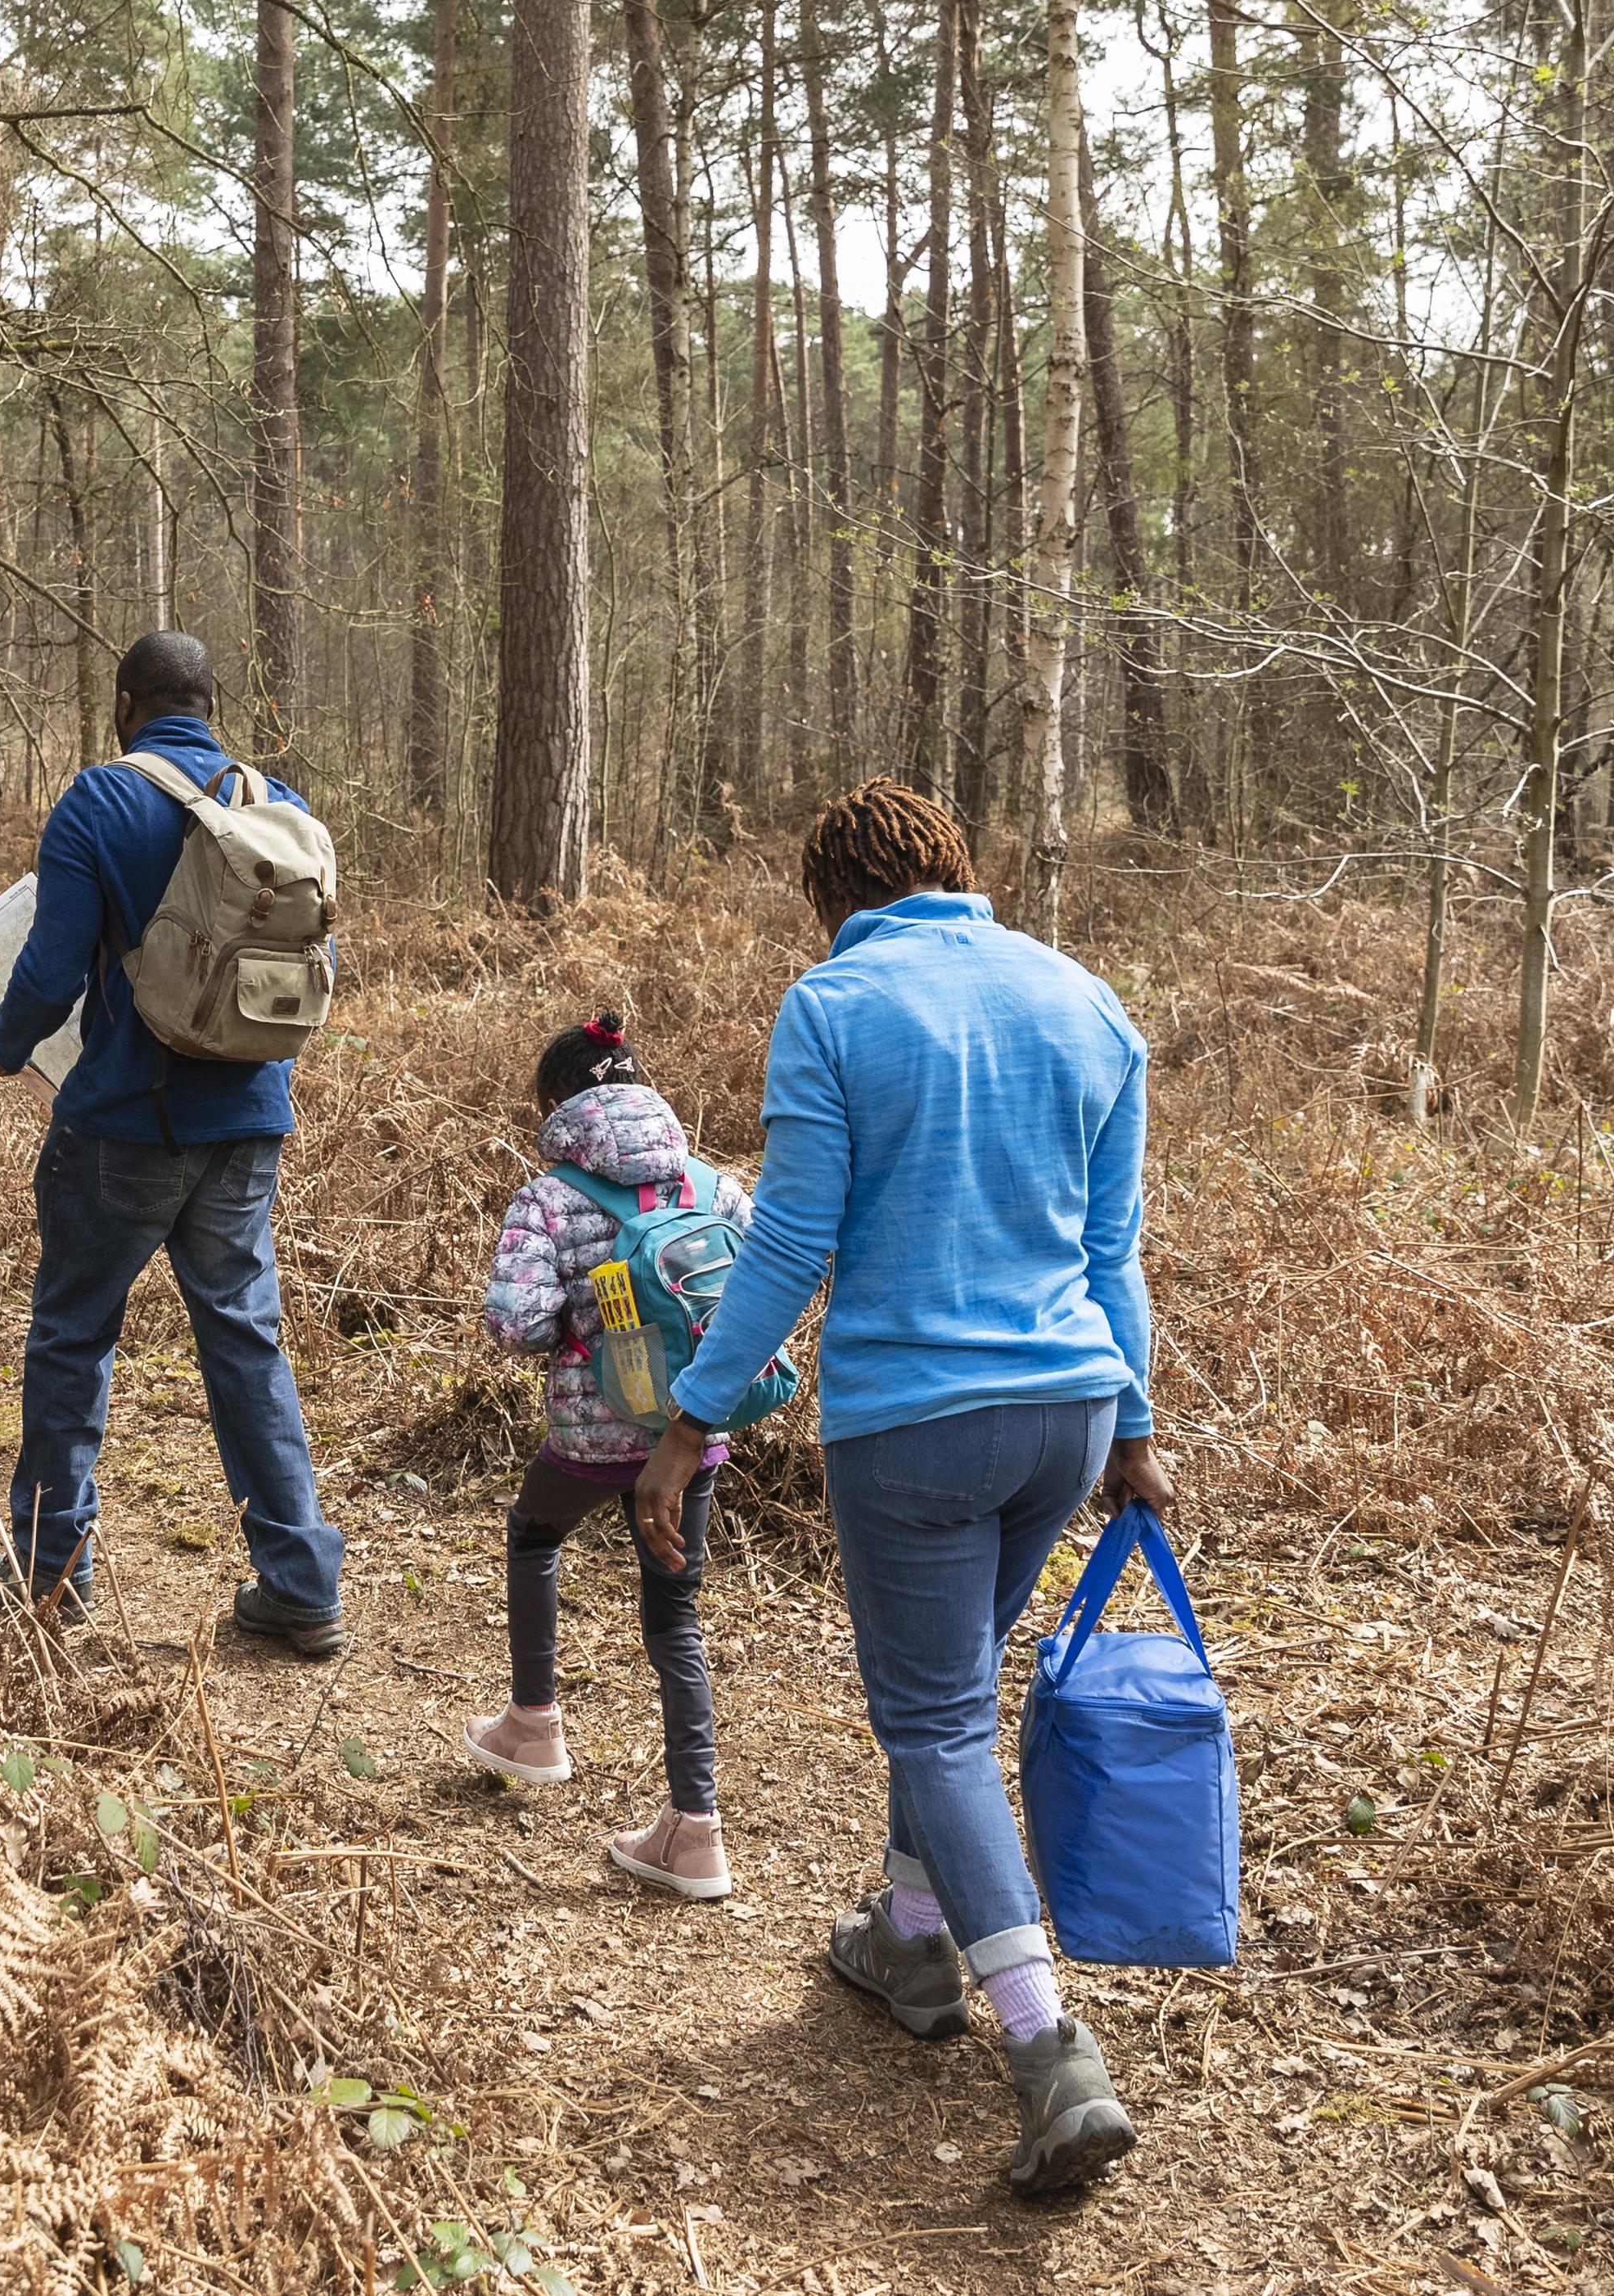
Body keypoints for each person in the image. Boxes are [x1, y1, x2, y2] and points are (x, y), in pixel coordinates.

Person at [631, 778, 1170, 2198]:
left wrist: (688, 1419)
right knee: (950, 1685)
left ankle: (1051, 2050)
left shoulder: (833, 1005)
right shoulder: (1083, 998)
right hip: (1065, 1408)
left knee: (933, 1719)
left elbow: (791, 1235)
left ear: (831, 900)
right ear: (958, 864)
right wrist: (1135, 1424)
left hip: (913, 1425)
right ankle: (910, 1939)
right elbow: (1111, 1250)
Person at [0, 630, 348, 1654]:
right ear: (209, 701)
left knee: (70, 1337)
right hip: (248, 1121)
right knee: (244, 1340)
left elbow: (49, 974)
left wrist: (1, 1047)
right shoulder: (279, 803)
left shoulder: (98, 799)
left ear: (126, 704)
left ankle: (51, 1571)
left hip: (123, 1122)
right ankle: (301, 1580)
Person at [458, 1012, 751, 1901]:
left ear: (557, 1106)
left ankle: (534, 1722)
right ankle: (695, 1831)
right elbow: (768, 1285)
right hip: (689, 1436)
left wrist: (570, 1336)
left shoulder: (550, 1196)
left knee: (534, 1533)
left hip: (589, 1439)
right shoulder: (714, 1185)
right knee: (675, 1621)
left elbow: (511, 1319)